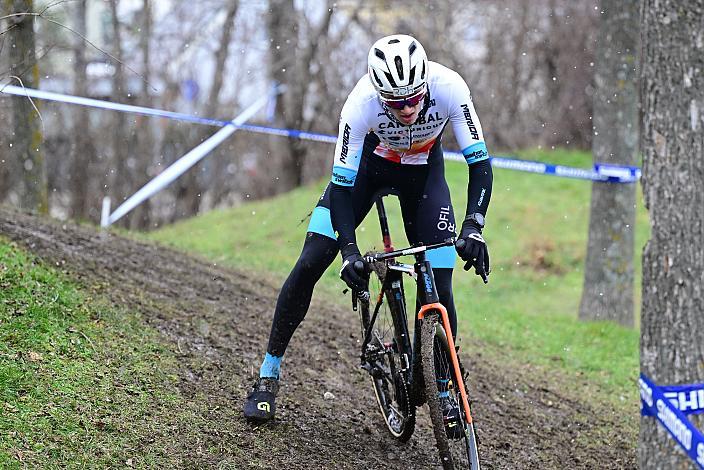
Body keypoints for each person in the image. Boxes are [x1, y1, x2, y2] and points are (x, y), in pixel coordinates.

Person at [244, 34, 493, 433]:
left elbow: (480, 164)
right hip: (364, 176)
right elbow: (341, 187)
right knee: (311, 261)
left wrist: (474, 228)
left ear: (426, 82)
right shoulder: (360, 106)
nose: (409, 109)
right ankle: (268, 374)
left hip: (424, 178)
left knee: (439, 286)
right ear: (380, 95)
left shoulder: (451, 88)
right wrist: (348, 251)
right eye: (397, 103)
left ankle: (441, 387)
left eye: (415, 97)